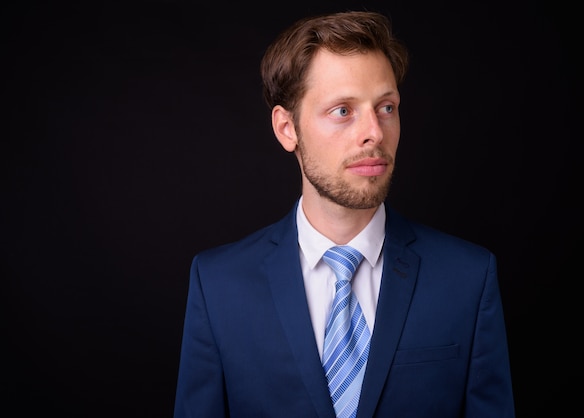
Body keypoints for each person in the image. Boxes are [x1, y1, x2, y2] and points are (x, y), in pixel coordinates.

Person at [173, 10, 515, 418]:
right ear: (287, 129)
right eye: (342, 111)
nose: (374, 131)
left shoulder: (468, 279)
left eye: (386, 107)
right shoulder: (218, 285)